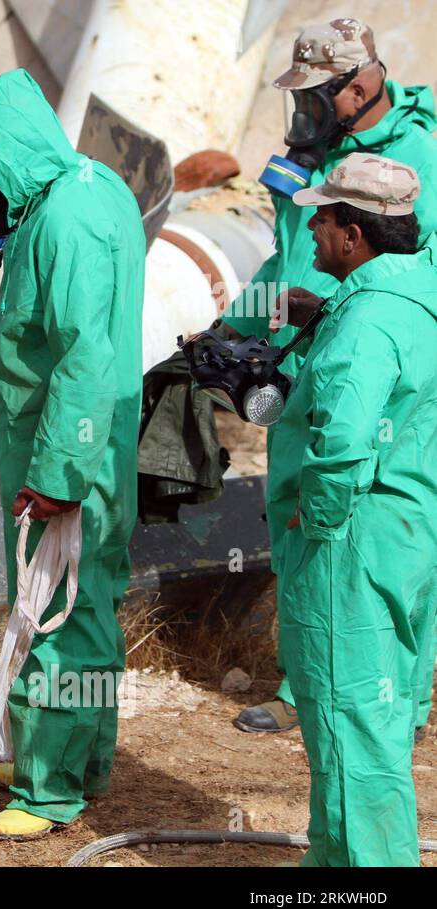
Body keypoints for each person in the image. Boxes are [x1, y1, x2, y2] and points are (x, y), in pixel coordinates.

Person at [221, 18, 437, 736]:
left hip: (369, 372)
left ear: (365, 83)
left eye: (321, 96)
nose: (307, 112)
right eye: (301, 99)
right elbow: (285, 262)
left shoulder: (414, 160)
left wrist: (341, 317)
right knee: (299, 525)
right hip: (309, 362)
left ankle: (391, 697)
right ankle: (309, 678)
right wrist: (236, 328)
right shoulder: (327, 157)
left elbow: (410, 281)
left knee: (379, 540)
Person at [0, 70, 145, 839]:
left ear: (8, 154)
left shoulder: (63, 222)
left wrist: (58, 478)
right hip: (90, 442)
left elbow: (82, 359)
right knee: (87, 605)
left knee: (55, 614)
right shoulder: (92, 190)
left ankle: (50, 789)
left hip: (69, 450)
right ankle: (78, 762)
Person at [271, 153, 436, 865]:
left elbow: (340, 441)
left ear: (353, 235)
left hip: (353, 540)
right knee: (381, 712)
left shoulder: (367, 321)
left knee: (348, 717)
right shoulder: (417, 293)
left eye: (323, 217)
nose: (311, 228)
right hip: (408, 527)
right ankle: (335, 861)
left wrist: (319, 516)